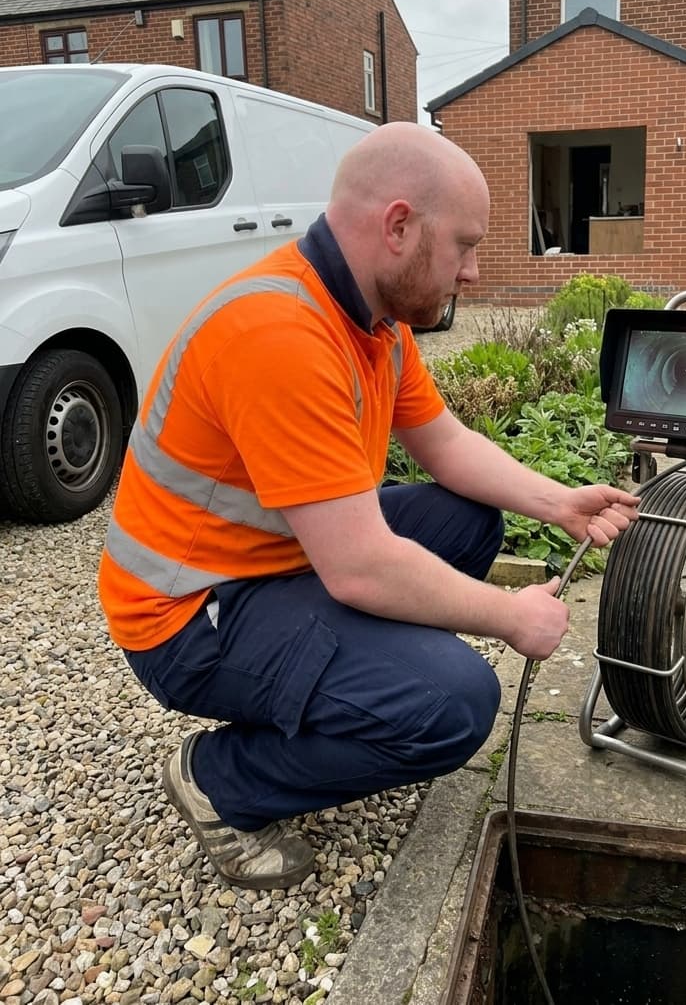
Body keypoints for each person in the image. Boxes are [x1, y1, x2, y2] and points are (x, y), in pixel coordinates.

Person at [97, 121, 639, 891]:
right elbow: (357, 566)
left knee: (468, 518)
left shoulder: (371, 320)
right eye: (465, 245)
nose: (475, 272)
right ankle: (222, 779)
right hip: (186, 615)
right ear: (398, 226)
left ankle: (352, 685)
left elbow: (445, 443)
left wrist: (562, 505)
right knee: (455, 702)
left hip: (267, 564)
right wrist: (509, 615)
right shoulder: (280, 332)